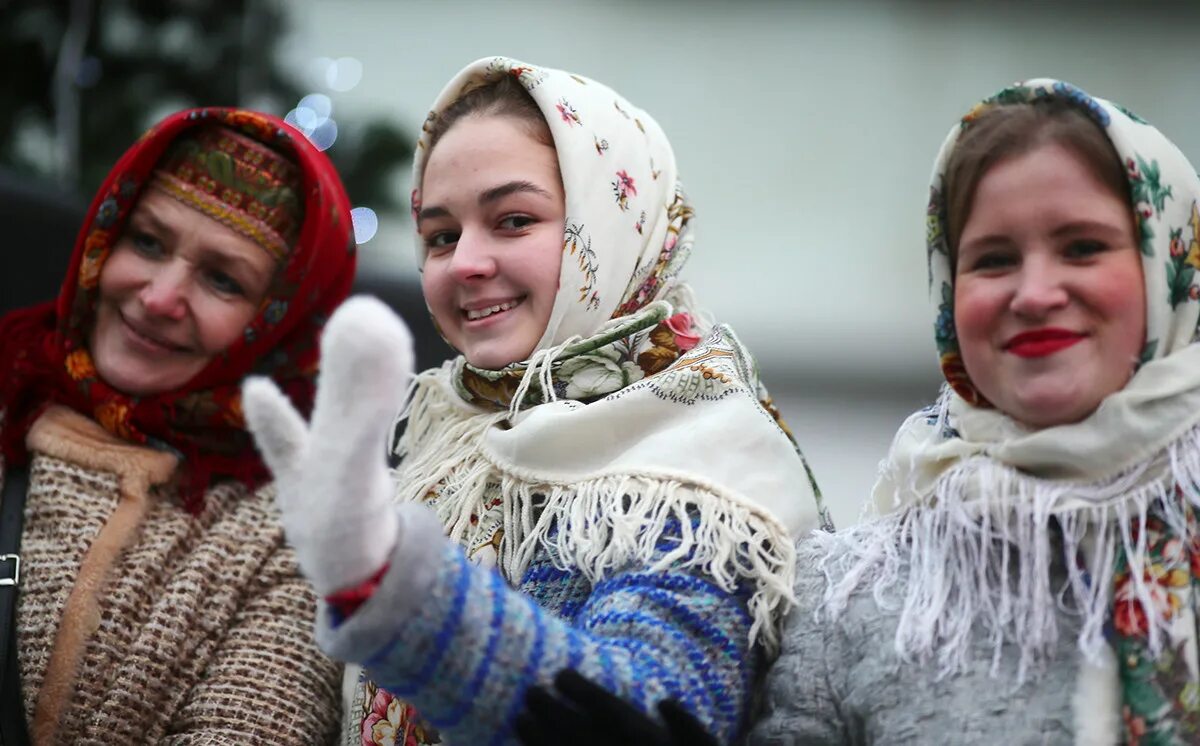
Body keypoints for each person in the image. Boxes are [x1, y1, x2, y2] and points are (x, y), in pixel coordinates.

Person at [243, 56, 830, 746]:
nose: (465, 261)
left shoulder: (698, 464)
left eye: (514, 219)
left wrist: (399, 591)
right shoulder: (442, 432)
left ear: (615, 225)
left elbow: (655, 716)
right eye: (440, 235)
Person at [751, 79, 1200, 744]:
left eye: (1083, 247)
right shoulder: (847, 592)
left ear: (1170, 266)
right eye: (993, 260)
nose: (1037, 292)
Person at [0, 107, 356, 743]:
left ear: (279, 321)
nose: (160, 298)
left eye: (223, 279)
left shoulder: (293, 537)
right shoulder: (11, 383)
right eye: (147, 242)